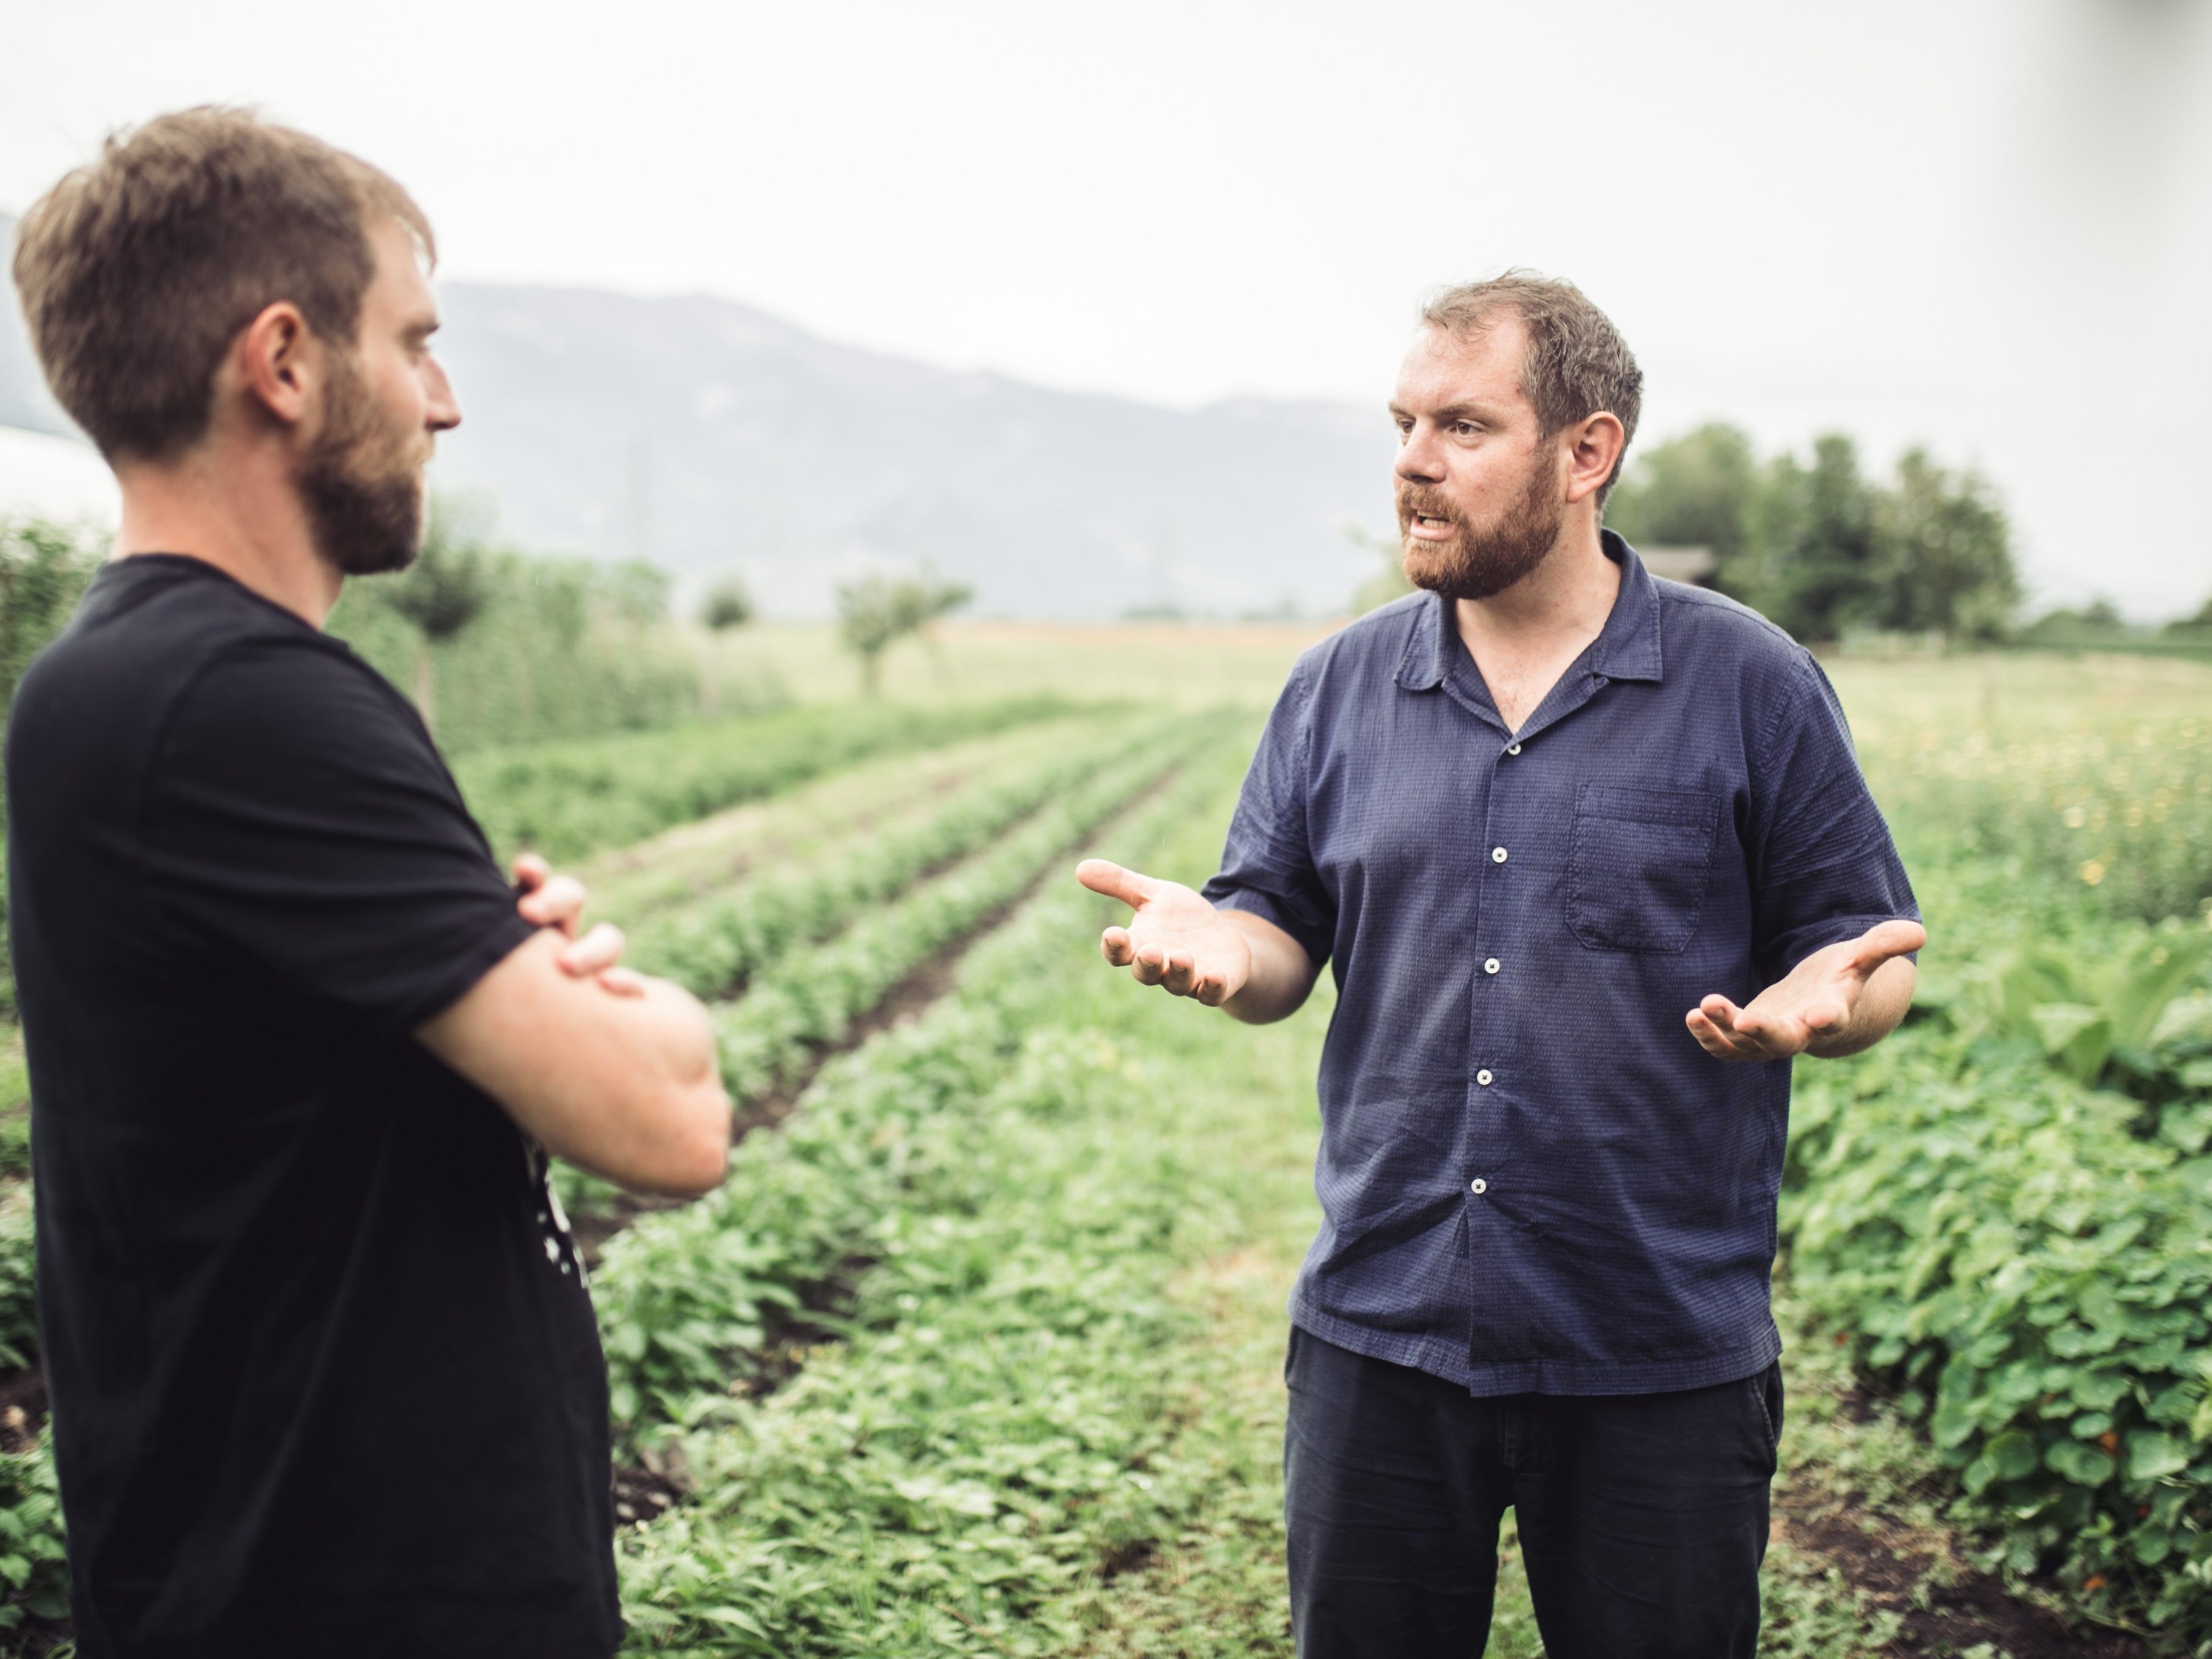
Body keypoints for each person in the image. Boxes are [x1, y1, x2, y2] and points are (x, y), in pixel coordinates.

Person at [1077, 272, 1923, 1659]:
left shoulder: (1751, 685)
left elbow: (1863, 953)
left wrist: (1832, 1003)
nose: (1413, 462)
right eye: (1404, 423)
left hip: (1657, 1349)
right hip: (1380, 1335)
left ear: (1589, 452)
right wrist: (1231, 943)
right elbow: (1280, 932)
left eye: (1463, 427)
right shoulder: (1336, 688)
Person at [5, 108, 730, 1656]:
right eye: (414, 340)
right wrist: (633, 1005)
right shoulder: (251, 704)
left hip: (251, 1567)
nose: (444, 403)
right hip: (356, 1595)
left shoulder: (124, 676)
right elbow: (668, 1128)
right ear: (284, 361)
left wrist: (533, 1001)